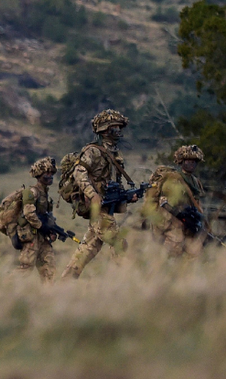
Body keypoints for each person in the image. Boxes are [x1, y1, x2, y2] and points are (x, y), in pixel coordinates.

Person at [62, 110, 135, 279]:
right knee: (119, 243)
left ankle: (63, 283)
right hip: (97, 208)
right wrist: (92, 194)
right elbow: (79, 172)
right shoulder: (92, 151)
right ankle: (128, 283)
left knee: (86, 249)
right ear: (104, 130)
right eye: (113, 127)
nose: (117, 131)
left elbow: (114, 184)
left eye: (119, 127)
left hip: (105, 207)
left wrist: (127, 197)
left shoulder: (115, 154)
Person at [142, 144, 208, 258]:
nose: (191, 164)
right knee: (175, 247)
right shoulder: (174, 178)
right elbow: (164, 201)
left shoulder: (195, 181)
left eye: (194, 161)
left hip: (187, 220)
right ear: (181, 161)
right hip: (170, 218)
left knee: (194, 250)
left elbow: (196, 200)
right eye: (188, 161)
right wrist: (180, 214)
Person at [11, 157, 59, 282]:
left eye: (51, 173)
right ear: (39, 174)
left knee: (49, 269)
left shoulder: (45, 194)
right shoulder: (32, 192)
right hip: (31, 236)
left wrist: (50, 230)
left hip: (42, 237)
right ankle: (5, 288)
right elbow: (29, 213)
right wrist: (41, 226)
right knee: (26, 268)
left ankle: (47, 296)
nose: (50, 176)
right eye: (47, 173)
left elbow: (46, 216)